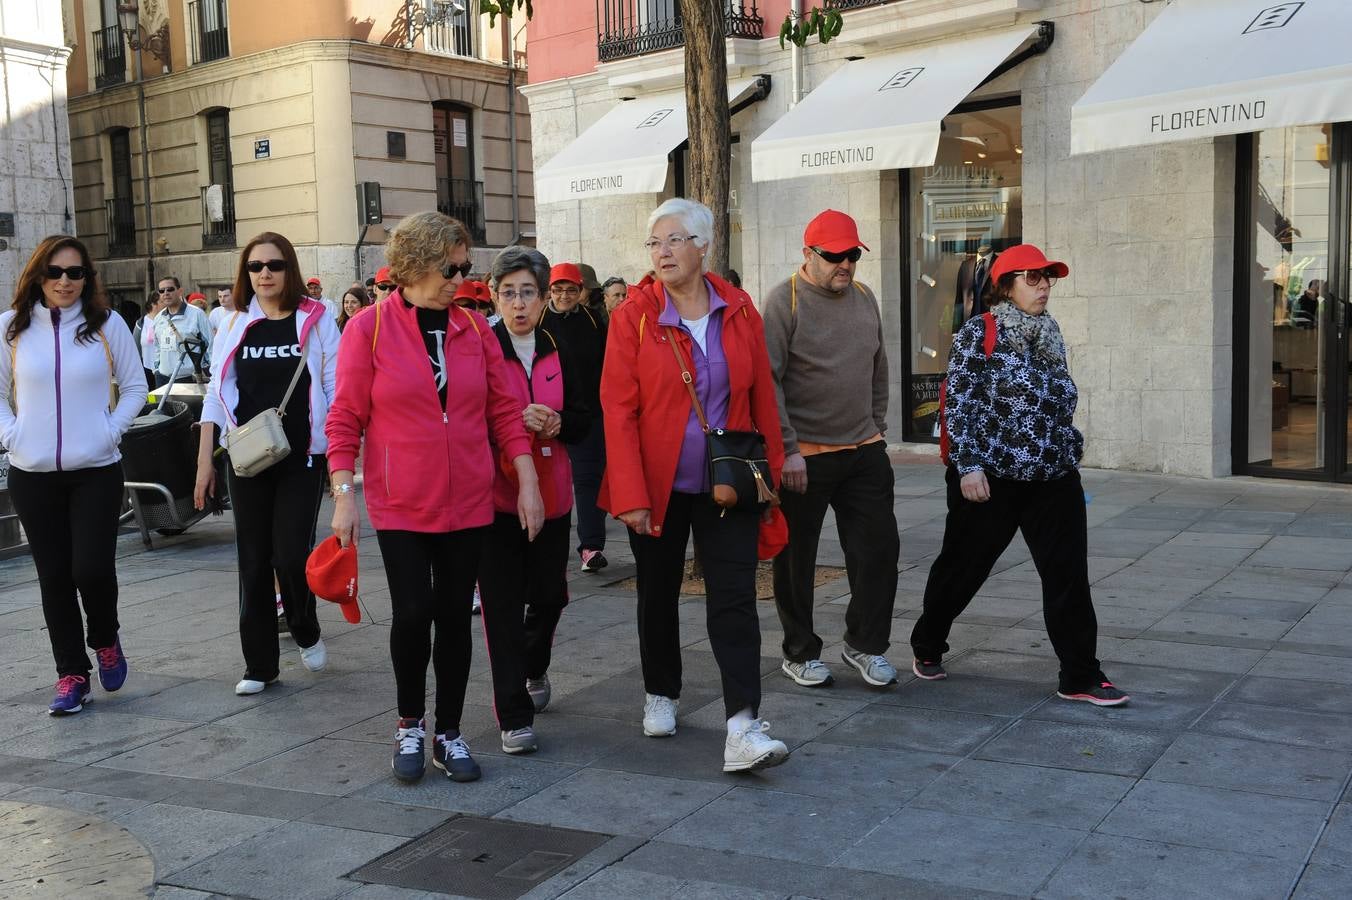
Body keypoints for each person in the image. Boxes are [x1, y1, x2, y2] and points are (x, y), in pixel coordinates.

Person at [326, 211, 544, 785]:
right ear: (418, 263)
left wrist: (526, 480)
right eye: (453, 267)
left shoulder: (474, 329)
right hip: (402, 502)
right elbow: (345, 417)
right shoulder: (367, 329)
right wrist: (343, 494)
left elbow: (503, 412)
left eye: (466, 267)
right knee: (413, 614)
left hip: (469, 500)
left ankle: (449, 731)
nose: (461, 278)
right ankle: (410, 724)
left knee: (453, 618)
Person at [600, 197, 789, 773]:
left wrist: (770, 480)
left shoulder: (740, 311)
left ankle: (742, 727)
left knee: (734, 601)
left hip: (728, 483)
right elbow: (618, 408)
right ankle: (661, 689)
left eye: (675, 239)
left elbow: (762, 399)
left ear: (705, 246)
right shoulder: (632, 316)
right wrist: (629, 494)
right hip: (657, 486)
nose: (662, 251)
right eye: (654, 243)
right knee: (657, 593)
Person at [914, 244, 1129, 707]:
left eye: (1047, 277)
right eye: (1032, 278)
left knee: (1068, 576)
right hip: (992, 478)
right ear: (1006, 287)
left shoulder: (1050, 332)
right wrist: (968, 467)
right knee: (963, 569)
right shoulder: (980, 332)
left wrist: (1068, 446)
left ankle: (1080, 674)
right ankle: (928, 642)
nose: (1044, 286)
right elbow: (960, 404)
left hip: (1052, 475)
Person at [0, 236, 149, 714]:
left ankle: (105, 638)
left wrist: (110, 431)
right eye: (55, 272)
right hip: (33, 471)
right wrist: (13, 437)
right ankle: (71, 674)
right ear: (38, 275)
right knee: (54, 577)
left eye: (75, 273)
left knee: (91, 568)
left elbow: (134, 387)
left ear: (88, 278)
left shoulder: (107, 326)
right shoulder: (11, 330)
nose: (64, 281)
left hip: (96, 470)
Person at [195, 232, 341, 696]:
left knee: (291, 555)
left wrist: (341, 459)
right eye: (255, 266)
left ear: (288, 270)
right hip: (248, 457)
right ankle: (259, 665)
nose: (264, 274)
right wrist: (204, 465)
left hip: (302, 456)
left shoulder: (317, 321)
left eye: (274, 265)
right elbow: (215, 397)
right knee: (254, 561)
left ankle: (304, 624)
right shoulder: (235, 323)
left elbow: (336, 390)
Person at [763, 209, 900, 689]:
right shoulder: (784, 301)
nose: (845, 264)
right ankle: (799, 651)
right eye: (834, 255)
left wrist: (877, 425)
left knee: (879, 551)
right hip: (807, 456)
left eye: (852, 255)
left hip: (864, 449)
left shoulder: (864, 296)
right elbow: (769, 383)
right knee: (796, 558)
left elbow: (878, 365)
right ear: (808, 254)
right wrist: (788, 449)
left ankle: (865, 645)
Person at [478, 245, 590, 752]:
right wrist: (507, 426)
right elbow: (461, 417)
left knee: (548, 596)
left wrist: (559, 422)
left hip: (553, 492)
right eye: (508, 294)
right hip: (494, 498)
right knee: (500, 607)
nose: (518, 304)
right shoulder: (479, 347)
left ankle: (534, 666)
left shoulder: (562, 346)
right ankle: (513, 715)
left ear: (545, 298)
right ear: (494, 297)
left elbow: (590, 418)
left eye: (528, 293)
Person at [541, 262, 609, 573]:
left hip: (588, 413)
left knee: (588, 479)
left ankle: (591, 546)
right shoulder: (537, 320)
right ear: (549, 291)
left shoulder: (595, 321)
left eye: (571, 289)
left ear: (580, 291)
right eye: (558, 289)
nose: (565, 295)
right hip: (547, 412)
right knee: (546, 478)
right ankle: (541, 543)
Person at [146, 276, 213, 386]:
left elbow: (211, 345)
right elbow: (157, 346)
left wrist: (211, 374)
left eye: (170, 289)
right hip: (163, 379)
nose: (166, 293)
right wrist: (156, 369)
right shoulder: (159, 317)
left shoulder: (197, 314)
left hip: (189, 379)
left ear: (180, 291)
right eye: (162, 291)